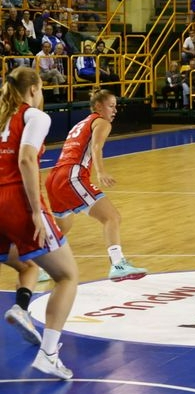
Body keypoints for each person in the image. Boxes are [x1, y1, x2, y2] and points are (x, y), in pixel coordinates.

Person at [0, 67, 79, 379]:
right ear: (33, 89)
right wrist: (35, 211)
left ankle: (21, 307)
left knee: (27, 265)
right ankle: (48, 354)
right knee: (67, 276)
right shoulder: (35, 116)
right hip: (15, 200)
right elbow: (26, 159)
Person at [45, 88, 147, 282]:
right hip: (72, 176)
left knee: (62, 227)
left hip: (54, 177)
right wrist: (100, 171)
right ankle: (118, 264)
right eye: (111, 106)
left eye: (115, 106)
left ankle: (41, 266)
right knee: (112, 217)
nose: (115, 110)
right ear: (98, 106)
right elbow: (96, 147)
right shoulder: (102, 122)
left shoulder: (81, 123)